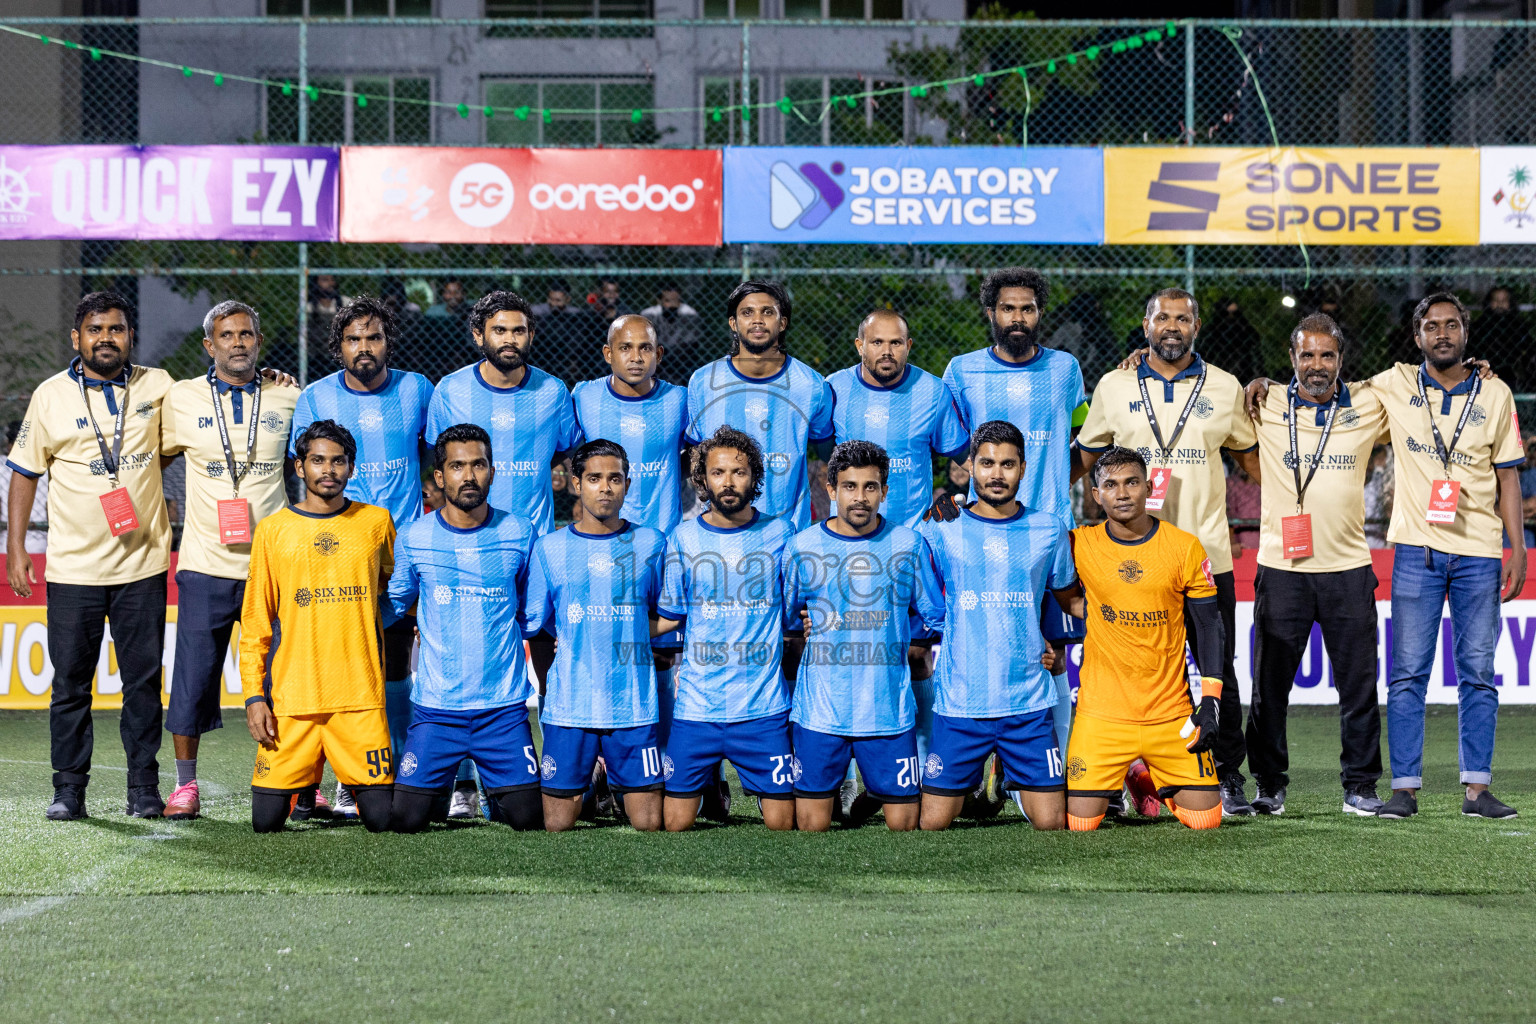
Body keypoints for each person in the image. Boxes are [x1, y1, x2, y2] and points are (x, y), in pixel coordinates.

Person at [1258, 293, 1526, 820]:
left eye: (1452, 326)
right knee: (1405, 674)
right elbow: (1302, 397)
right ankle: (1403, 789)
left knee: (1476, 670)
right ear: (1417, 335)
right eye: (1432, 326)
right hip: (1413, 551)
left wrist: (1516, 546)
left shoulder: (1493, 392)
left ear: (1466, 335)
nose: (1442, 334)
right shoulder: (1392, 385)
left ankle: (1476, 790)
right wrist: (1259, 384)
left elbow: (1509, 474)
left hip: (1476, 551)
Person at [1074, 287, 1262, 816]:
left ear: (1196, 326)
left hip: (1204, 556)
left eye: (1182, 318)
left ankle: (1226, 774)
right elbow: (1086, 459)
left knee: (1216, 665)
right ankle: (1117, 776)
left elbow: (1251, 461)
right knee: (1119, 668)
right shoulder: (1114, 384)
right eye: (1163, 318)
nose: (1172, 326)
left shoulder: (1225, 387)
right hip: (1128, 557)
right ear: (1146, 324)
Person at [7, 292, 173, 821]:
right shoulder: (51, 395)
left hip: (142, 565)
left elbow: (191, 433)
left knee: (143, 683)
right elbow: (26, 474)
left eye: (117, 328)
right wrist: (16, 547)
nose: (107, 337)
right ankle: (68, 790)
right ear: (75, 338)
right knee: (70, 683)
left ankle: (143, 788)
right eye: (95, 328)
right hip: (73, 567)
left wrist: (272, 379)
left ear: (130, 336)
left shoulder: (159, 386)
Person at [937, 268, 1089, 774]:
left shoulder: (1066, 369)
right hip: (982, 532)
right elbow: (955, 449)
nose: (1017, 318)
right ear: (991, 313)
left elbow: (1085, 439)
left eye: (1027, 308)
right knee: (987, 650)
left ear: (1039, 313)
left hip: (1051, 534)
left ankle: (1060, 772)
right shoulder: (960, 371)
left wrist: (1057, 490)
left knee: (1056, 660)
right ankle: (978, 771)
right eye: (1008, 309)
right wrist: (952, 501)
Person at [291, 295, 434, 818]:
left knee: (395, 666)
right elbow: (303, 473)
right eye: (353, 339)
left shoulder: (418, 390)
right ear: (339, 346)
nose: (364, 347)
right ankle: (335, 778)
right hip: (334, 556)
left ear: (387, 342)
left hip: (400, 556)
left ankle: (394, 768)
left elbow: (441, 456)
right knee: (335, 669)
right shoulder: (313, 397)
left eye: (374, 338)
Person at [1239, 313, 1388, 817]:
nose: (1317, 365)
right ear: (1292, 359)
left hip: (1348, 567)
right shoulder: (1266, 401)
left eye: (1327, 355)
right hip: (1282, 568)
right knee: (1270, 685)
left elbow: (1424, 389)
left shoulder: (1370, 403)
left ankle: (1362, 785)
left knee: (1359, 684)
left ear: (1341, 359)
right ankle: (1269, 784)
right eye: (1307, 355)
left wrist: (1471, 370)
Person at [158, 301, 299, 820]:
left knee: (288, 677)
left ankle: (300, 781)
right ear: (208, 345)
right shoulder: (181, 397)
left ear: (259, 342)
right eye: (227, 335)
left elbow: (306, 461)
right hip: (204, 562)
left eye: (246, 334)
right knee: (194, 676)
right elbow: (155, 456)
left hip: (274, 566)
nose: (237, 342)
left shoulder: (288, 393)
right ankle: (185, 786)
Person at [916, 421, 1081, 831]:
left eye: (1008, 464)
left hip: (1026, 703)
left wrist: (1130, 614)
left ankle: (1009, 781)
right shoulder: (941, 525)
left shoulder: (1047, 529)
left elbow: (1070, 599)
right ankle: (979, 786)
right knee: (932, 823)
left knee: (1052, 823)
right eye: (987, 463)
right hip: (961, 702)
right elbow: (902, 571)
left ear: (1023, 468)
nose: (997, 474)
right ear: (969, 466)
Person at [239, 420, 397, 834]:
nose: (329, 470)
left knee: (382, 820)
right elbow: (255, 622)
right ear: (299, 467)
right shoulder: (273, 531)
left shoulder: (377, 523)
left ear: (352, 468)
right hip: (295, 701)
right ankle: (302, 788)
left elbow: (391, 586)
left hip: (359, 698)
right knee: (265, 823)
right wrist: (255, 696)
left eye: (339, 461)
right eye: (318, 461)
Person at [827, 308, 969, 765]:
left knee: (914, 655)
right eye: (876, 342)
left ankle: (928, 762)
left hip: (911, 549)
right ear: (859, 346)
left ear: (908, 347)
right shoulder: (833, 390)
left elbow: (961, 457)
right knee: (845, 659)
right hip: (848, 551)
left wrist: (956, 498)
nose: (886, 351)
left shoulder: (932, 391)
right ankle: (846, 773)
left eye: (895, 343)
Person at [782, 440, 944, 832]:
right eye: (850, 486)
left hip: (886, 712)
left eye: (870, 487)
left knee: (905, 826)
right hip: (821, 712)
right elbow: (787, 621)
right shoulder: (801, 547)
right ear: (831, 489)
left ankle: (871, 792)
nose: (860, 497)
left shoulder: (908, 545)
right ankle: (846, 789)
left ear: (885, 492)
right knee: (810, 828)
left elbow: (937, 615)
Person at [387, 424, 543, 833]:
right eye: (457, 466)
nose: (468, 476)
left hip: (502, 711)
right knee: (406, 820)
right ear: (440, 477)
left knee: (527, 820)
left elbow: (530, 610)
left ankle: (495, 793)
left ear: (492, 471)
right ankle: (438, 790)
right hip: (437, 711)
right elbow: (398, 602)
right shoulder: (415, 537)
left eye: (478, 465)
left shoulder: (518, 533)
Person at [1065, 446, 1226, 832]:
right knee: (1078, 825)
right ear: (1096, 494)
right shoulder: (1078, 544)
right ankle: (1127, 770)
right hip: (1101, 716)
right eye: (1111, 485)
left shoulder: (1184, 546)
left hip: (1169, 715)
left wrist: (1211, 700)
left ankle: (1143, 773)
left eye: (1132, 482)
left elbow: (1208, 626)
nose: (1122, 493)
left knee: (1205, 820)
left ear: (1149, 486)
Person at [650, 426, 798, 832]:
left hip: (763, 709)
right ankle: (710, 788)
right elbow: (670, 614)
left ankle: (717, 790)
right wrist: (617, 629)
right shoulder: (683, 538)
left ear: (755, 478)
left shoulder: (781, 534)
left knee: (783, 826)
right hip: (698, 707)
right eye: (718, 473)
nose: (729, 482)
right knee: (674, 825)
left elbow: (798, 608)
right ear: (702, 479)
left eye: (739, 472)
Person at [524, 439, 668, 832]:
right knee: (556, 827)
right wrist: (577, 630)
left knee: (650, 824)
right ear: (575, 483)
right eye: (594, 478)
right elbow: (536, 620)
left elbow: (666, 612)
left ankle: (605, 782)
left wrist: (632, 630)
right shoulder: (549, 549)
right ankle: (593, 786)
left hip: (633, 706)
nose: (605, 488)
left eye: (614, 478)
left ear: (628, 484)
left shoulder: (651, 543)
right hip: (571, 705)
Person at [427, 290, 580, 538]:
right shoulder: (449, 390)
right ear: (478, 336)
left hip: (534, 539)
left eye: (518, 331)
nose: (510, 339)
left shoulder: (553, 391)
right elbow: (436, 456)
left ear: (530, 335)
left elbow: (564, 449)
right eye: (499, 331)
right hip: (469, 537)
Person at [686, 280, 834, 533]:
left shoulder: (811, 386)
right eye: (747, 312)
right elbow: (694, 455)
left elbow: (828, 455)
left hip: (789, 533)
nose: (758, 320)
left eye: (767, 312)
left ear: (783, 322)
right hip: (717, 530)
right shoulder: (703, 382)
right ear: (733, 323)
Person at [571, 314, 690, 535]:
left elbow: (697, 451)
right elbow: (567, 447)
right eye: (625, 348)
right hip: (604, 535)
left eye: (645, 348)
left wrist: (669, 472)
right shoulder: (584, 396)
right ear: (608, 353)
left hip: (663, 536)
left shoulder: (679, 400)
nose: (636, 357)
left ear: (659, 354)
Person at [534, 280, 604, 385]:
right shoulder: (539, 312)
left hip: (567, 356)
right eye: (551, 300)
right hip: (545, 355)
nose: (554, 304)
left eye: (558, 300)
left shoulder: (575, 315)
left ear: (567, 299)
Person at [2, 420, 48, 553]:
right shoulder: (46, 465)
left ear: (11, 445)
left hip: (7, 540)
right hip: (41, 541)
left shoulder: (2, 465)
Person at [641, 284, 703, 382]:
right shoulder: (649, 315)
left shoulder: (689, 314)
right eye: (668, 301)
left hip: (681, 359)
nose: (672, 305)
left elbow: (690, 343)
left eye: (676, 301)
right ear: (659, 301)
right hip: (657, 357)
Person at [1475, 286, 1532, 390]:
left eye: (1504, 300)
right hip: (1485, 372)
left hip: (1511, 373)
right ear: (1489, 302)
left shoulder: (1518, 326)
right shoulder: (1480, 325)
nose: (1500, 304)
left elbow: (1528, 348)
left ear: (1510, 303)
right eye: (1495, 300)